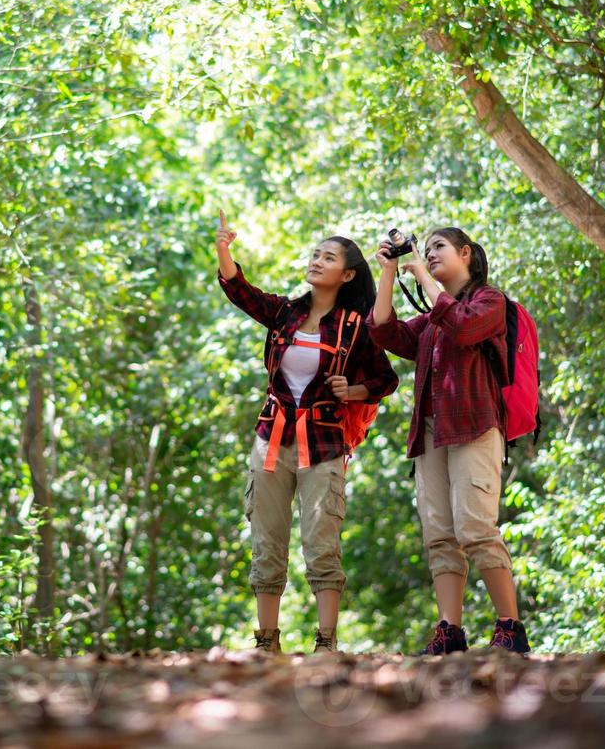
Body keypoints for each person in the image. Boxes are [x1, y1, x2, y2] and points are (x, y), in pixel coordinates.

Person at [216, 211, 399, 654]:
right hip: (270, 440)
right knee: (267, 539)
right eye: (315, 254)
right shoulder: (284, 313)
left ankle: (326, 641)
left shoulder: (355, 327)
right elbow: (241, 293)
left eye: (328, 257)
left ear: (348, 274)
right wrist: (224, 250)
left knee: (321, 541)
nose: (317, 261)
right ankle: (266, 641)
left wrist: (351, 389)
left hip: (323, 444)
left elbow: (385, 381)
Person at [366, 226, 530, 654]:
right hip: (432, 433)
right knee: (440, 535)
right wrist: (388, 272)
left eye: (439, 247)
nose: (430, 254)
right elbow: (385, 332)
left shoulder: (491, 301)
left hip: (475, 425)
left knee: (475, 527)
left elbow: (464, 328)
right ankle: (449, 632)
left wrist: (420, 272)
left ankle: (510, 627)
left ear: (466, 254)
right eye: (427, 249)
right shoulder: (431, 320)